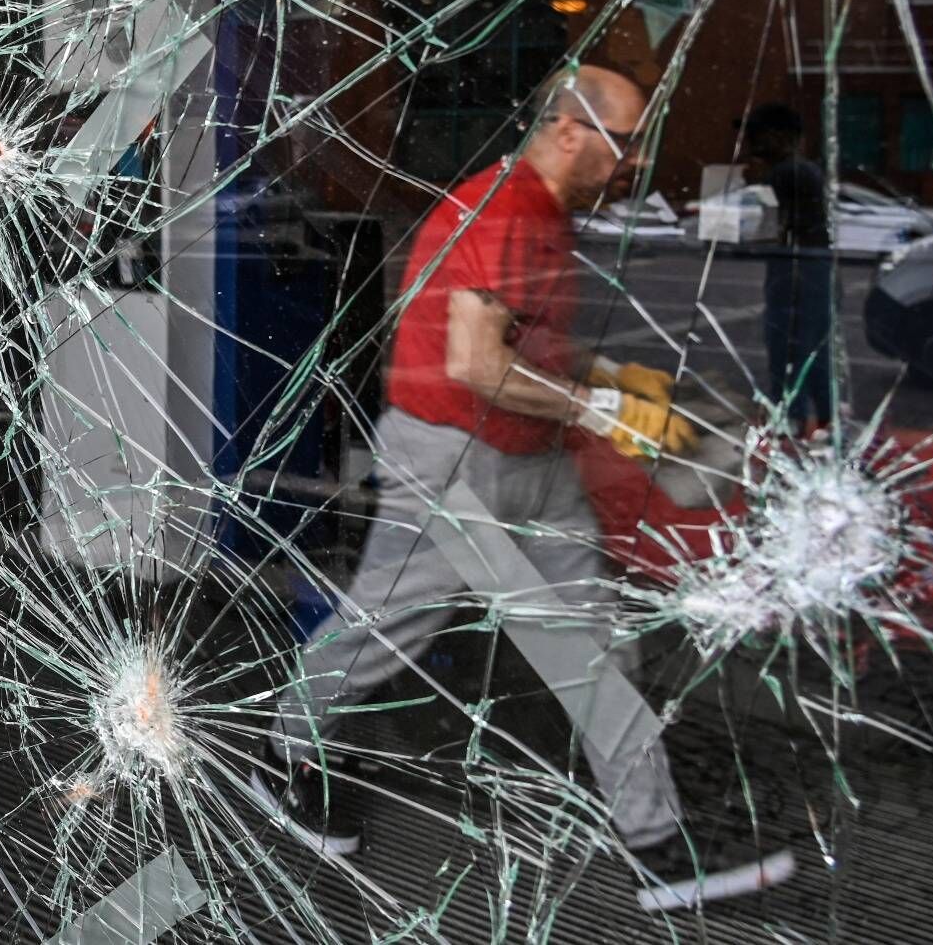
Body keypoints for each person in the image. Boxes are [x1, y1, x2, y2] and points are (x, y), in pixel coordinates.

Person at [247, 66, 796, 912]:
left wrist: (622, 385)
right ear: (572, 132)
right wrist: (607, 406)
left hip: (534, 462)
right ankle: (286, 749)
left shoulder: (549, 217)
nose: (636, 161)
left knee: (599, 637)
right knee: (386, 630)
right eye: (627, 142)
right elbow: (476, 362)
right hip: (453, 464)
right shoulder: (502, 208)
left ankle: (658, 846)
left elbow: (531, 345)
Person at [740, 104, 834, 431]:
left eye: (756, 136)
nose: (749, 144)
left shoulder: (785, 173)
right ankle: (824, 417)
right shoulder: (805, 171)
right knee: (813, 347)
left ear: (778, 137)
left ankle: (791, 418)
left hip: (796, 270)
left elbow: (771, 231)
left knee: (788, 346)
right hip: (810, 267)